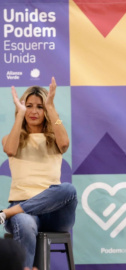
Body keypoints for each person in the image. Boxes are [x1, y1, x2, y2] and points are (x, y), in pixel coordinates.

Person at [0, 77, 78, 269]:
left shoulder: (55, 138)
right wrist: (19, 114)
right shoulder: (11, 139)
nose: (33, 111)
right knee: (25, 224)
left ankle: (6, 213)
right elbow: (10, 150)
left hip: (54, 213)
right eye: (29, 106)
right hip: (25, 212)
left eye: (39, 107)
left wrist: (50, 105)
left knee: (68, 189)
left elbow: (65, 144)